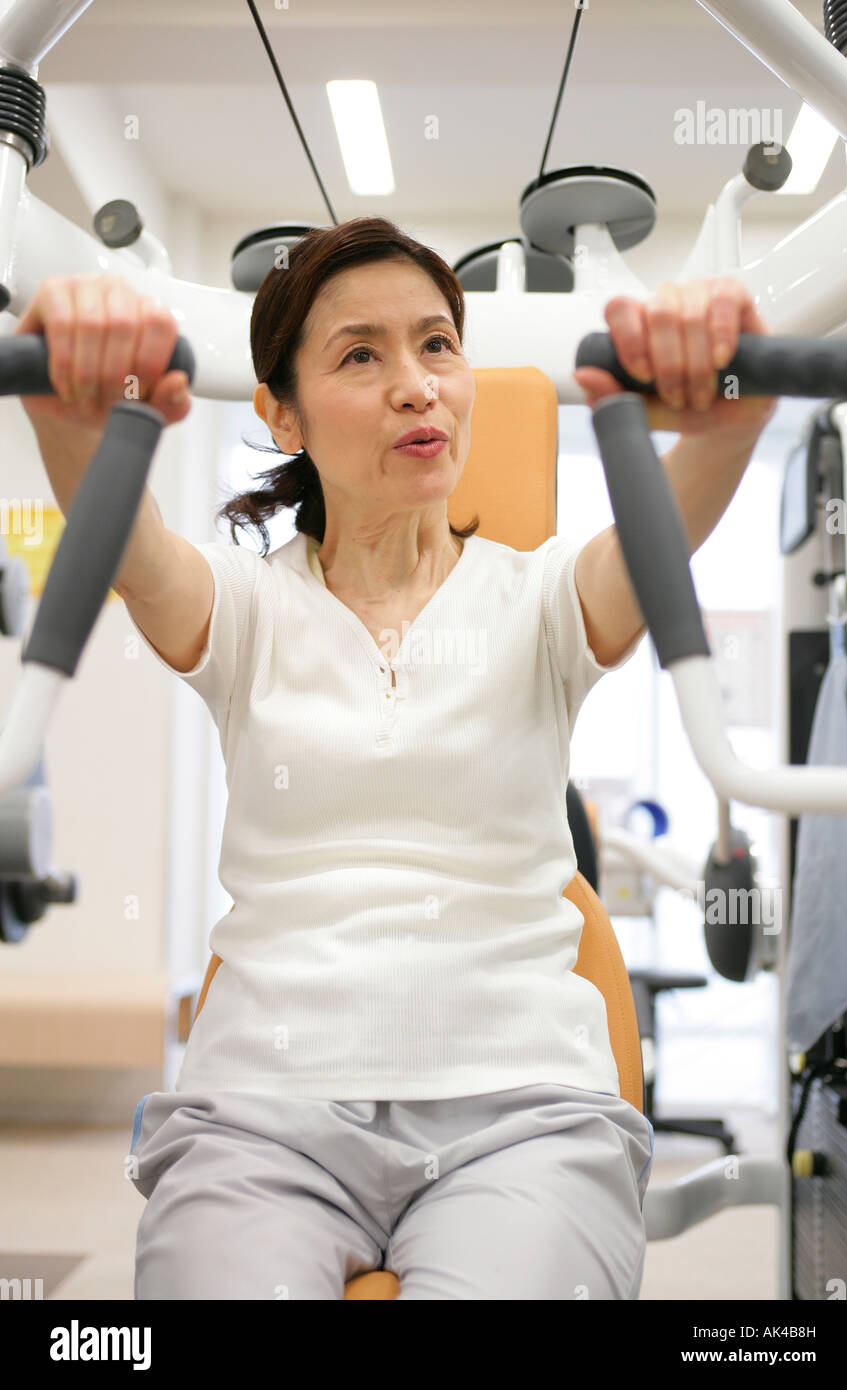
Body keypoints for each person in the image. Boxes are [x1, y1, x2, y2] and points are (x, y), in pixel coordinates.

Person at [15, 217, 774, 1299]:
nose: (417, 386)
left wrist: (728, 413)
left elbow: (660, 534)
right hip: (263, 1117)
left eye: (436, 346)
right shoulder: (246, 606)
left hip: (520, 1113)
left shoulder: (537, 597)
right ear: (279, 409)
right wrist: (69, 400)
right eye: (360, 354)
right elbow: (127, 543)